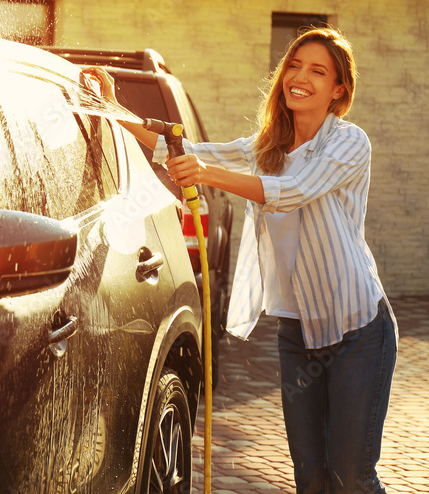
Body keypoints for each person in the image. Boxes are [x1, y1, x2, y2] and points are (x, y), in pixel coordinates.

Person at [86, 27, 396, 494]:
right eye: (294, 65)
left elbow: (293, 193)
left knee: (350, 476)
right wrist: (112, 107)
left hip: (359, 329)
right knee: (311, 477)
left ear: (339, 90)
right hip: (299, 330)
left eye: (317, 71)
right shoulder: (269, 146)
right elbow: (180, 151)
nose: (300, 77)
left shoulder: (350, 143)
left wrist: (206, 174)